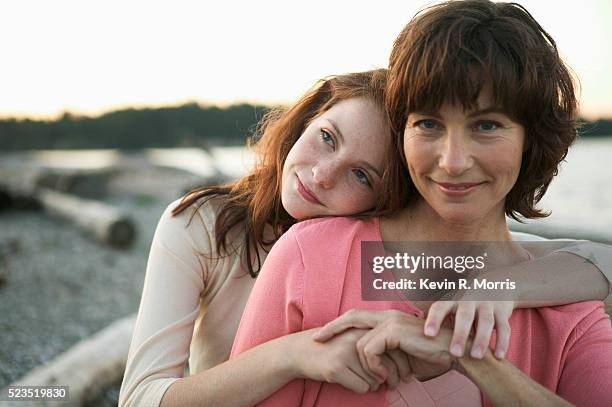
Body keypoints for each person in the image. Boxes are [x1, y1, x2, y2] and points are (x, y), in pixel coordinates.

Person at [230, 1, 612, 406]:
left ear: (530, 141)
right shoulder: (313, 255)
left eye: (486, 125)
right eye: (428, 124)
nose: (452, 161)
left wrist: (475, 358)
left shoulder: (569, 316)